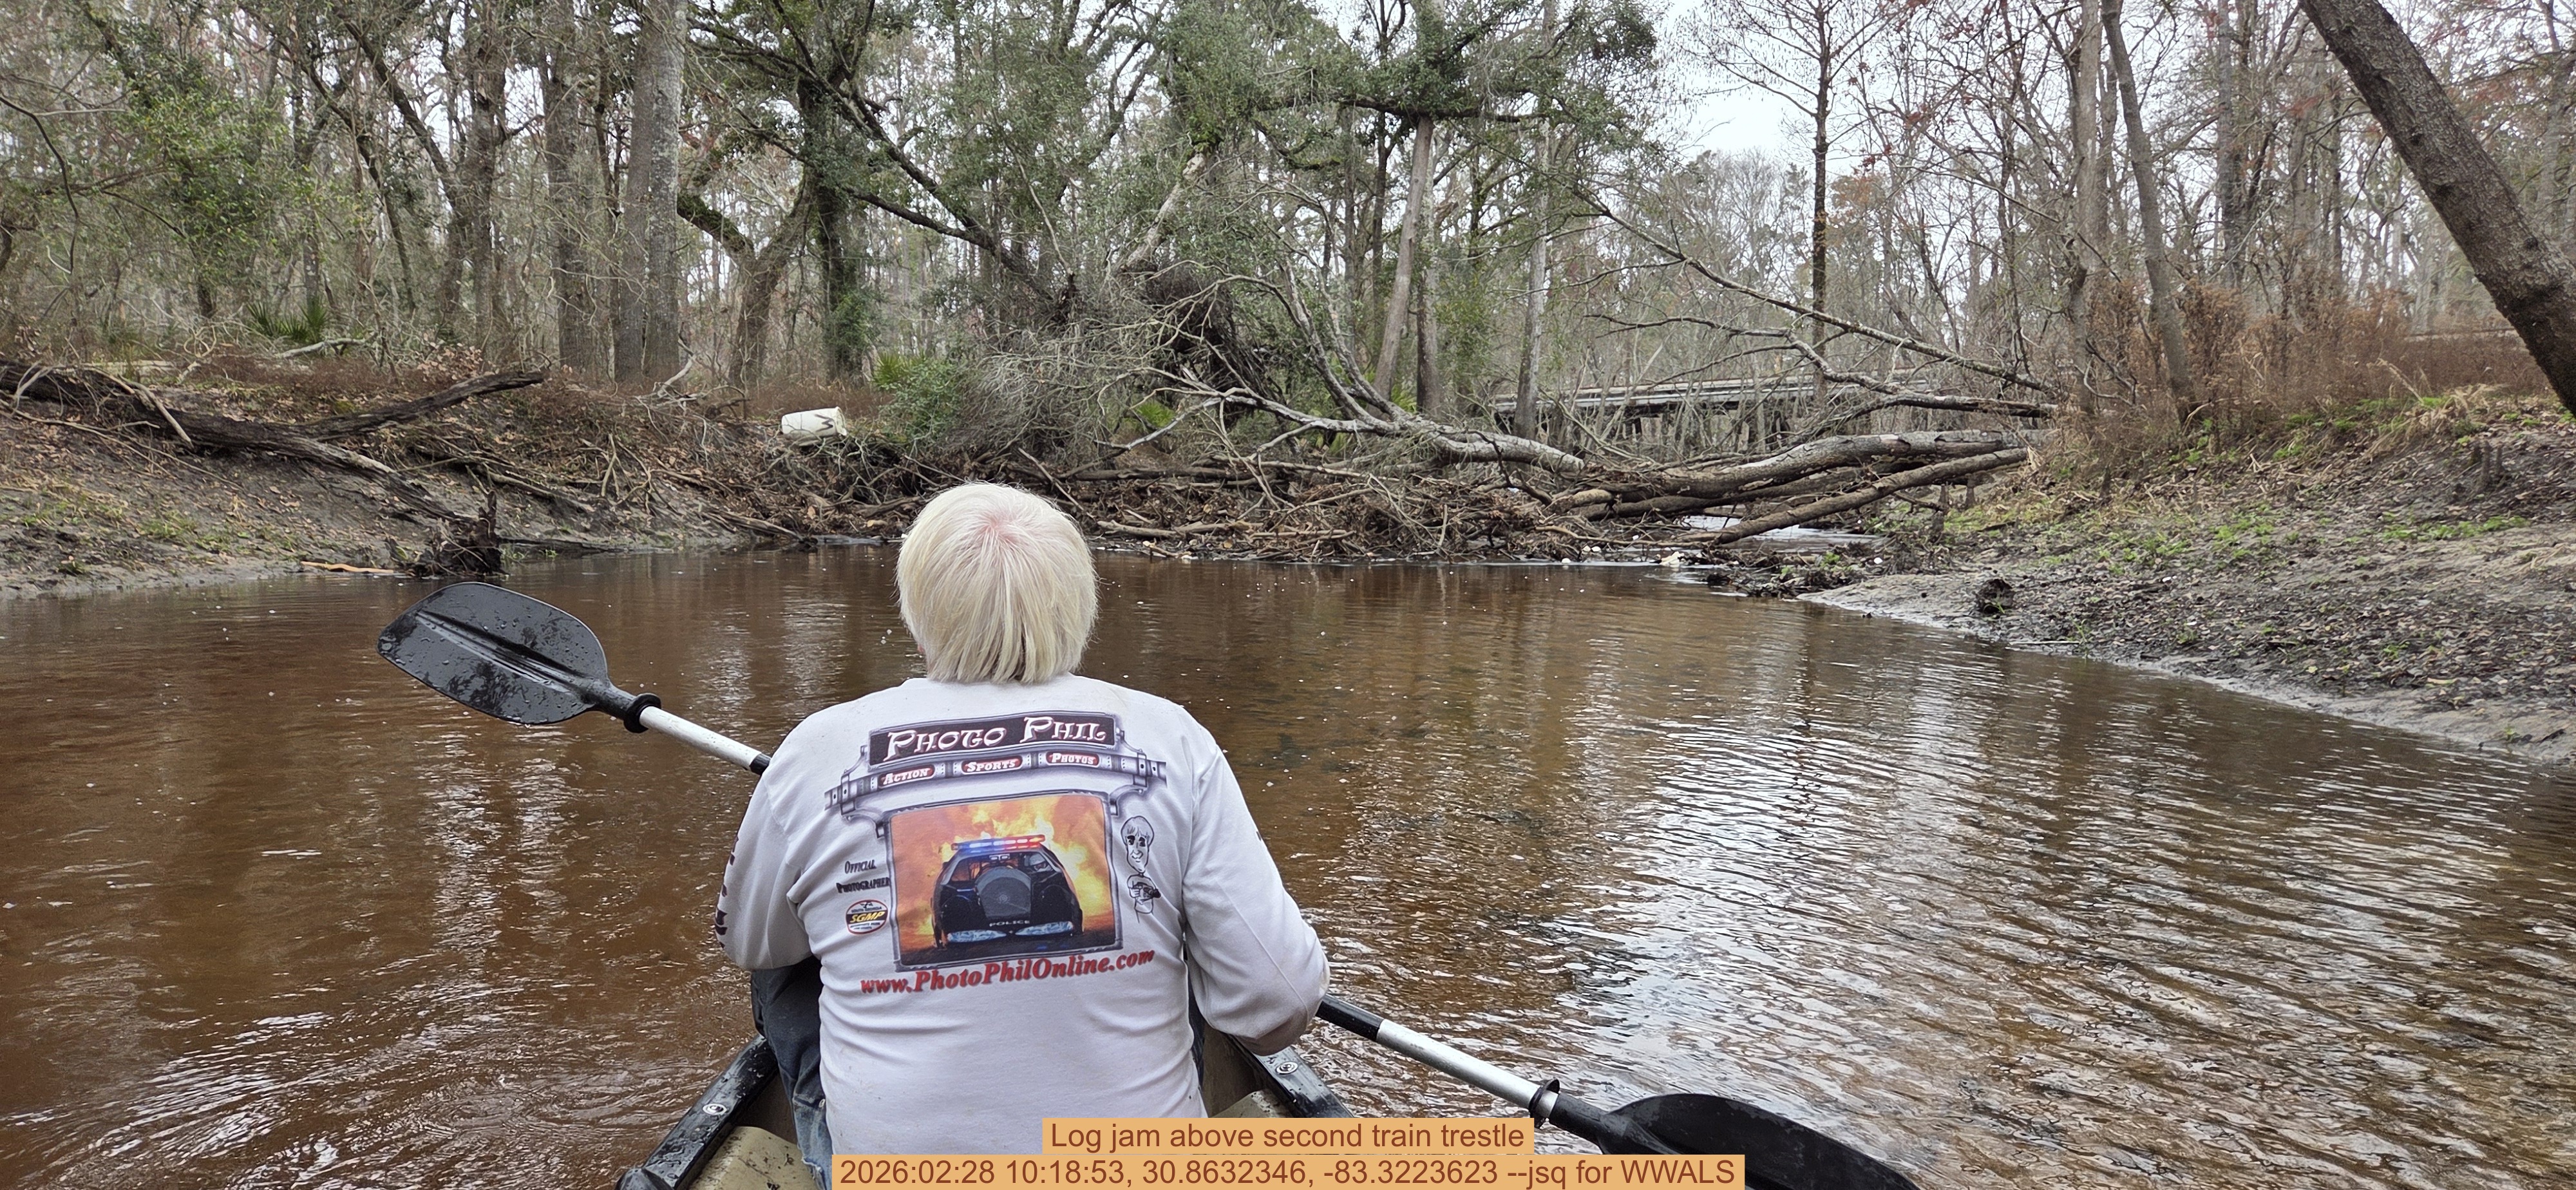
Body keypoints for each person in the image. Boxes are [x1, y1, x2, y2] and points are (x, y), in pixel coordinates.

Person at [717, 483, 1327, 1169]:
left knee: (787, 960)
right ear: (1077, 605)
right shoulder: (1170, 737)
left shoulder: (816, 749)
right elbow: (1274, 1006)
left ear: (916, 607)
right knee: (1171, 920)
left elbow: (752, 943)